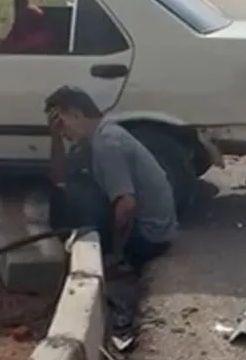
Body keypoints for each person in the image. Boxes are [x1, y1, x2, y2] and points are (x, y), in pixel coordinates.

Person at [44, 85, 177, 272]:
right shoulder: (94, 138)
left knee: (80, 197)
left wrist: (116, 255)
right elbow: (59, 180)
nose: (63, 132)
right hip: (157, 231)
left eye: (61, 124)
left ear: (75, 114)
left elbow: (127, 204)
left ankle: (109, 257)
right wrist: (55, 138)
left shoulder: (106, 142)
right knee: (68, 192)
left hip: (149, 238)